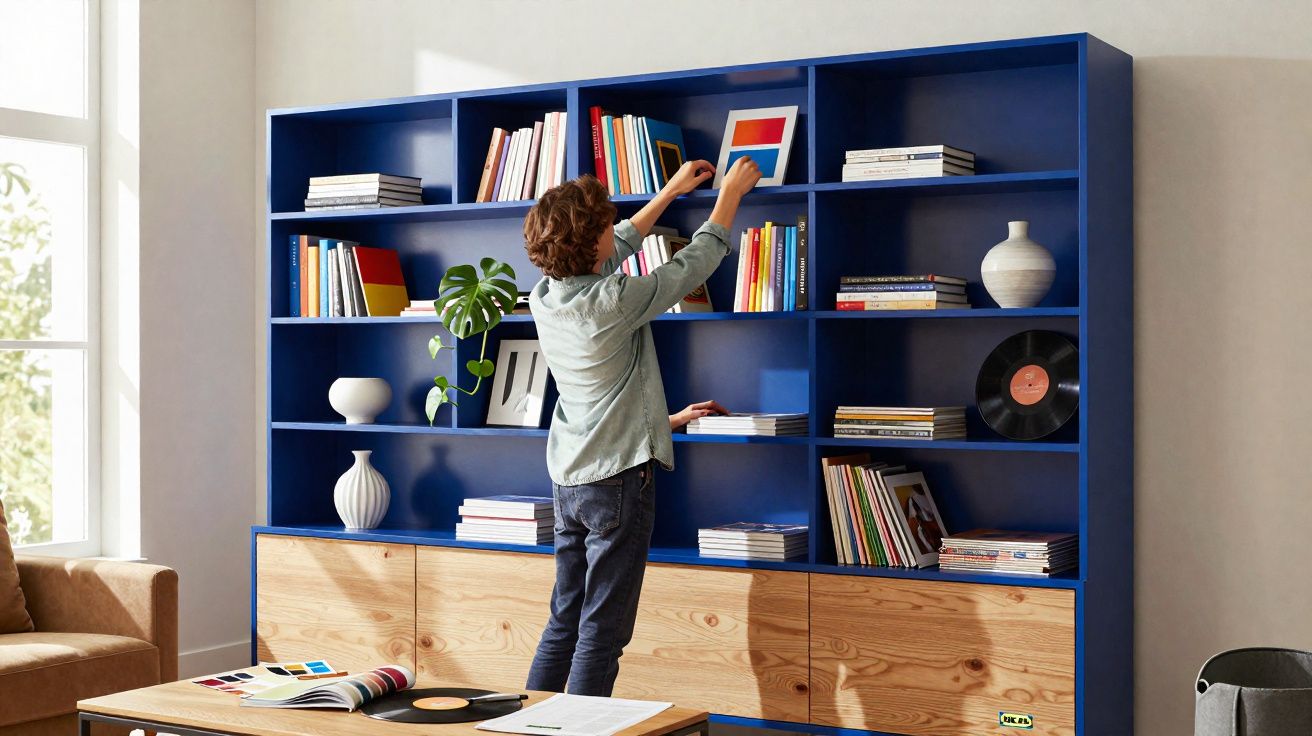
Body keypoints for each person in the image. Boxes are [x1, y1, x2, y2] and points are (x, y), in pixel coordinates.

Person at [522, 156, 763, 695]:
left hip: (570, 478)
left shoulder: (547, 294)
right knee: (602, 632)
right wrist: (731, 196)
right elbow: (692, 264)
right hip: (617, 484)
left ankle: (529, 727)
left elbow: (622, 243)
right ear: (590, 245)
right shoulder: (614, 300)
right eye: (606, 224)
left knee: (565, 620)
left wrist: (672, 191)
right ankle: (579, 735)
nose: (616, 228)